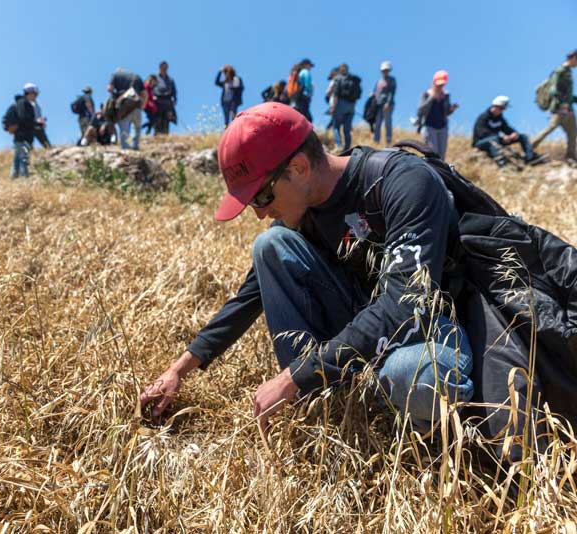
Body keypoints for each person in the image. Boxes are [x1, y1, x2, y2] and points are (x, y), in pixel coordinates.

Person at [138, 102, 577, 461]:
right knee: (269, 248)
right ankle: (323, 407)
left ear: (299, 167)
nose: (258, 211)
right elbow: (248, 297)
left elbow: (407, 302)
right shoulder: (301, 214)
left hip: (436, 322)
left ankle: (441, 459)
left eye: (262, 196)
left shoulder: (402, 181)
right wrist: (179, 371)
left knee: (416, 374)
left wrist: (295, 376)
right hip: (369, 322)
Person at [472, 96, 545, 167]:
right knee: (494, 139)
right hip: (481, 142)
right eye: (501, 108)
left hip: (498, 140)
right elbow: (482, 133)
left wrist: (514, 134)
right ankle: (503, 165)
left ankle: (530, 158)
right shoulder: (483, 117)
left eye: (504, 109)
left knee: (523, 136)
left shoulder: (500, 118)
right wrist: (501, 138)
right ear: (495, 106)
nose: (502, 110)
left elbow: (507, 128)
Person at [532, 50, 577, 162]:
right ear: (573, 58)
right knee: (549, 129)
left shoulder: (568, 72)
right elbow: (553, 90)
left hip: (568, 109)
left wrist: (573, 100)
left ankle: (570, 157)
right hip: (560, 109)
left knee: (573, 133)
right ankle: (529, 147)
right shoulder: (560, 71)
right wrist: (562, 104)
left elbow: (567, 93)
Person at [10, 83, 49, 178]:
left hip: (21, 136)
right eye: (35, 94)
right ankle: (24, 179)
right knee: (23, 158)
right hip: (23, 136)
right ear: (30, 92)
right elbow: (24, 119)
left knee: (17, 158)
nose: (36, 96)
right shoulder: (24, 103)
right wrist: (37, 123)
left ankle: (14, 178)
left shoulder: (23, 103)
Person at [417, 70, 458, 159]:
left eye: (442, 84)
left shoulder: (446, 95)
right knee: (432, 153)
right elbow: (420, 111)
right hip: (429, 127)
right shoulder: (426, 94)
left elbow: (446, 113)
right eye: (439, 84)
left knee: (441, 155)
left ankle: (440, 172)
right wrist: (432, 98)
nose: (440, 86)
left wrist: (452, 109)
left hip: (442, 128)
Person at [108, 68, 147, 150]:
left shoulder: (115, 75)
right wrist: (142, 106)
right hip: (137, 104)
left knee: (124, 128)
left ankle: (126, 149)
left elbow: (109, 88)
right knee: (137, 127)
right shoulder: (137, 76)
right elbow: (145, 94)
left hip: (123, 106)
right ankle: (135, 146)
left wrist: (115, 97)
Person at [329, 63, 362, 151]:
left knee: (336, 127)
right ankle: (347, 148)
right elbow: (358, 94)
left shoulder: (338, 78)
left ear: (340, 70)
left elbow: (336, 94)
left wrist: (333, 107)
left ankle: (339, 146)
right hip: (351, 106)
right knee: (347, 129)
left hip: (340, 105)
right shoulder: (354, 79)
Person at [371, 61, 397, 145]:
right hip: (378, 105)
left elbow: (392, 92)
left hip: (387, 105)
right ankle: (376, 141)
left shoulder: (392, 80)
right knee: (377, 123)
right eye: (383, 70)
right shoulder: (379, 81)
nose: (385, 72)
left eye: (386, 70)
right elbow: (375, 90)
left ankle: (388, 141)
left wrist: (388, 103)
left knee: (387, 124)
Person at [153, 61, 178, 135]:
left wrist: (175, 100)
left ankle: (165, 136)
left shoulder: (170, 79)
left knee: (166, 120)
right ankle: (157, 136)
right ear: (160, 68)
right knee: (157, 119)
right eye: (163, 67)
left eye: (166, 67)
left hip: (167, 102)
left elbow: (174, 91)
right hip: (157, 101)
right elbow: (149, 88)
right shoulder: (155, 78)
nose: (164, 69)